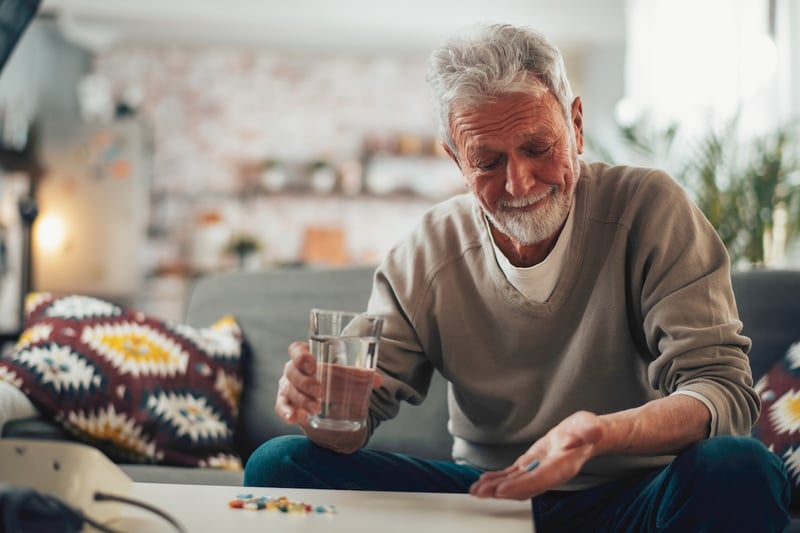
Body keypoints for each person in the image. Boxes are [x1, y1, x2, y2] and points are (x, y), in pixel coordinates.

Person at [244, 23, 790, 531]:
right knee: (280, 463)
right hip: (489, 500)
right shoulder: (429, 249)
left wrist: (599, 434)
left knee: (739, 466)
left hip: (640, 496)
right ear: (456, 160)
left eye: (538, 146)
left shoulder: (649, 208)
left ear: (575, 124)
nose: (519, 180)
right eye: (487, 161)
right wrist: (320, 408)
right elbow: (356, 415)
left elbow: (724, 394)